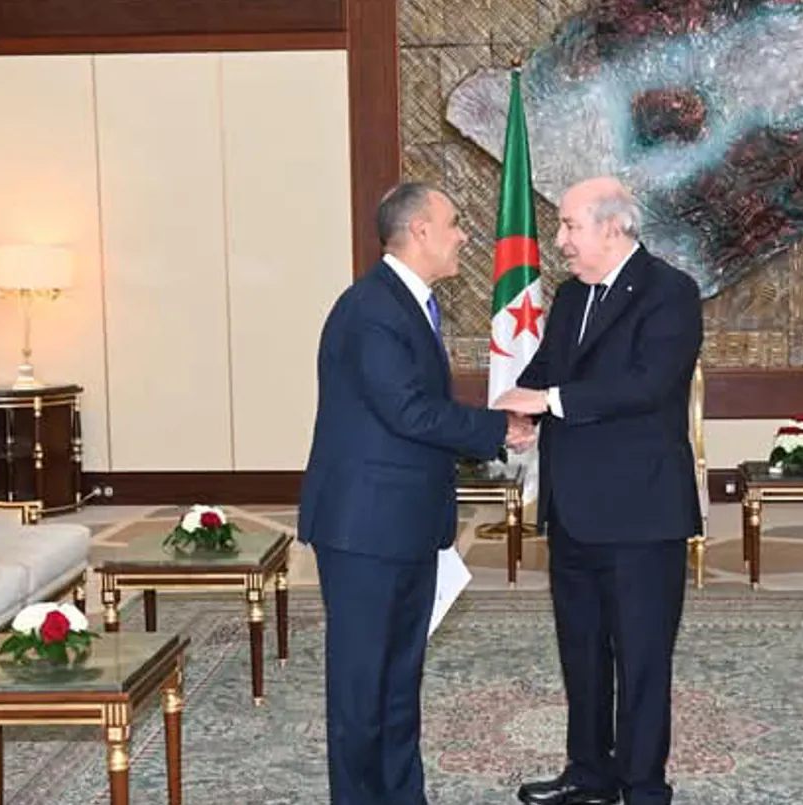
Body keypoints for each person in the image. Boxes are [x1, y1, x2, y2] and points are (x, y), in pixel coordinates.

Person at [298, 181, 535, 805]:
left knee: (398, 683)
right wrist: (497, 428)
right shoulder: (371, 308)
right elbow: (407, 411)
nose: (463, 236)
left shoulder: (407, 303)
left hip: (401, 523)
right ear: (420, 231)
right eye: (454, 223)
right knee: (363, 689)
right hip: (365, 530)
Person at [494, 176, 704, 805]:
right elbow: (544, 372)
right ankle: (589, 773)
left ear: (612, 227)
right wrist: (514, 413)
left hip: (641, 513)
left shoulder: (670, 292)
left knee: (641, 660)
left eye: (569, 226)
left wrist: (550, 401)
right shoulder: (568, 296)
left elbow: (649, 385)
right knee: (582, 654)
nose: (559, 240)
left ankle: (642, 786)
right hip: (573, 511)